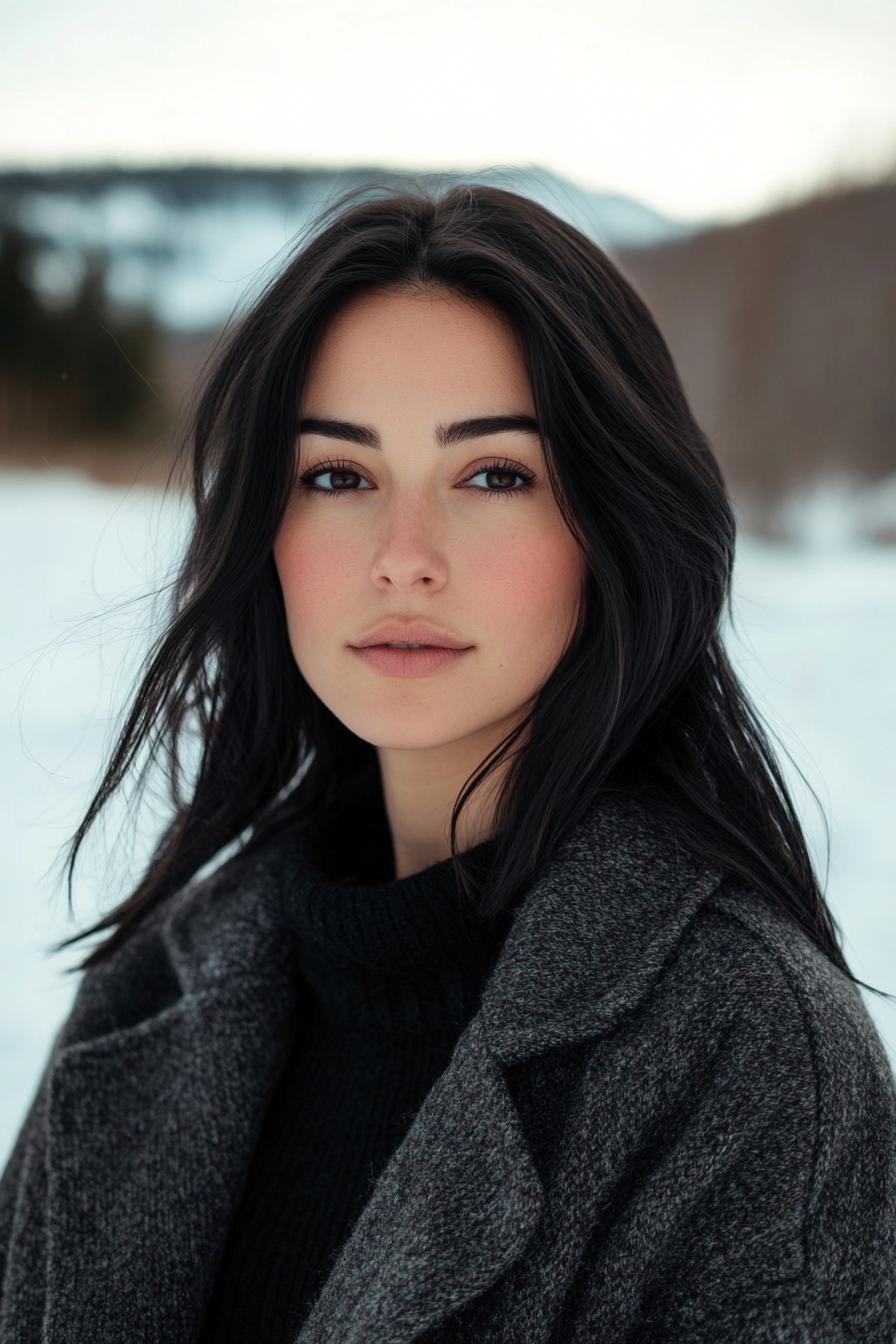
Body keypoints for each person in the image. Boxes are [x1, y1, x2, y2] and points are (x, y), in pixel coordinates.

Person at [1, 185, 894, 1344]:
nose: (402, 560)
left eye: (492, 477)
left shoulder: (757, 1064)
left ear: (611, 524)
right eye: (336, 476)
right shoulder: (157, 986)